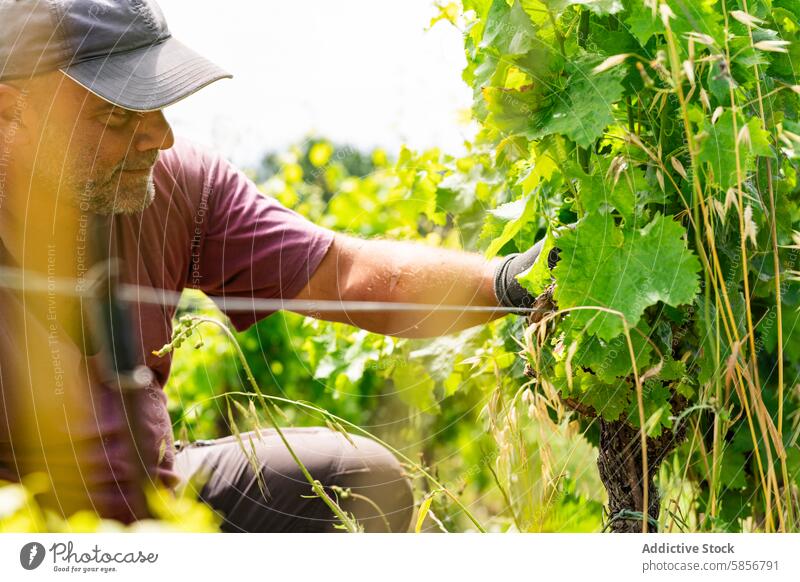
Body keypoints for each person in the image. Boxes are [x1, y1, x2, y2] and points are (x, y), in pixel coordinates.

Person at [0, 0, 546, 533]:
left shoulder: (175, 184)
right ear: (9, 111)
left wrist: (513, 281)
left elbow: (347, 274)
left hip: (156, 495)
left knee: (353, 478)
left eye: (158, 103)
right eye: (116, 115)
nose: (159, 137)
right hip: (21, 523)